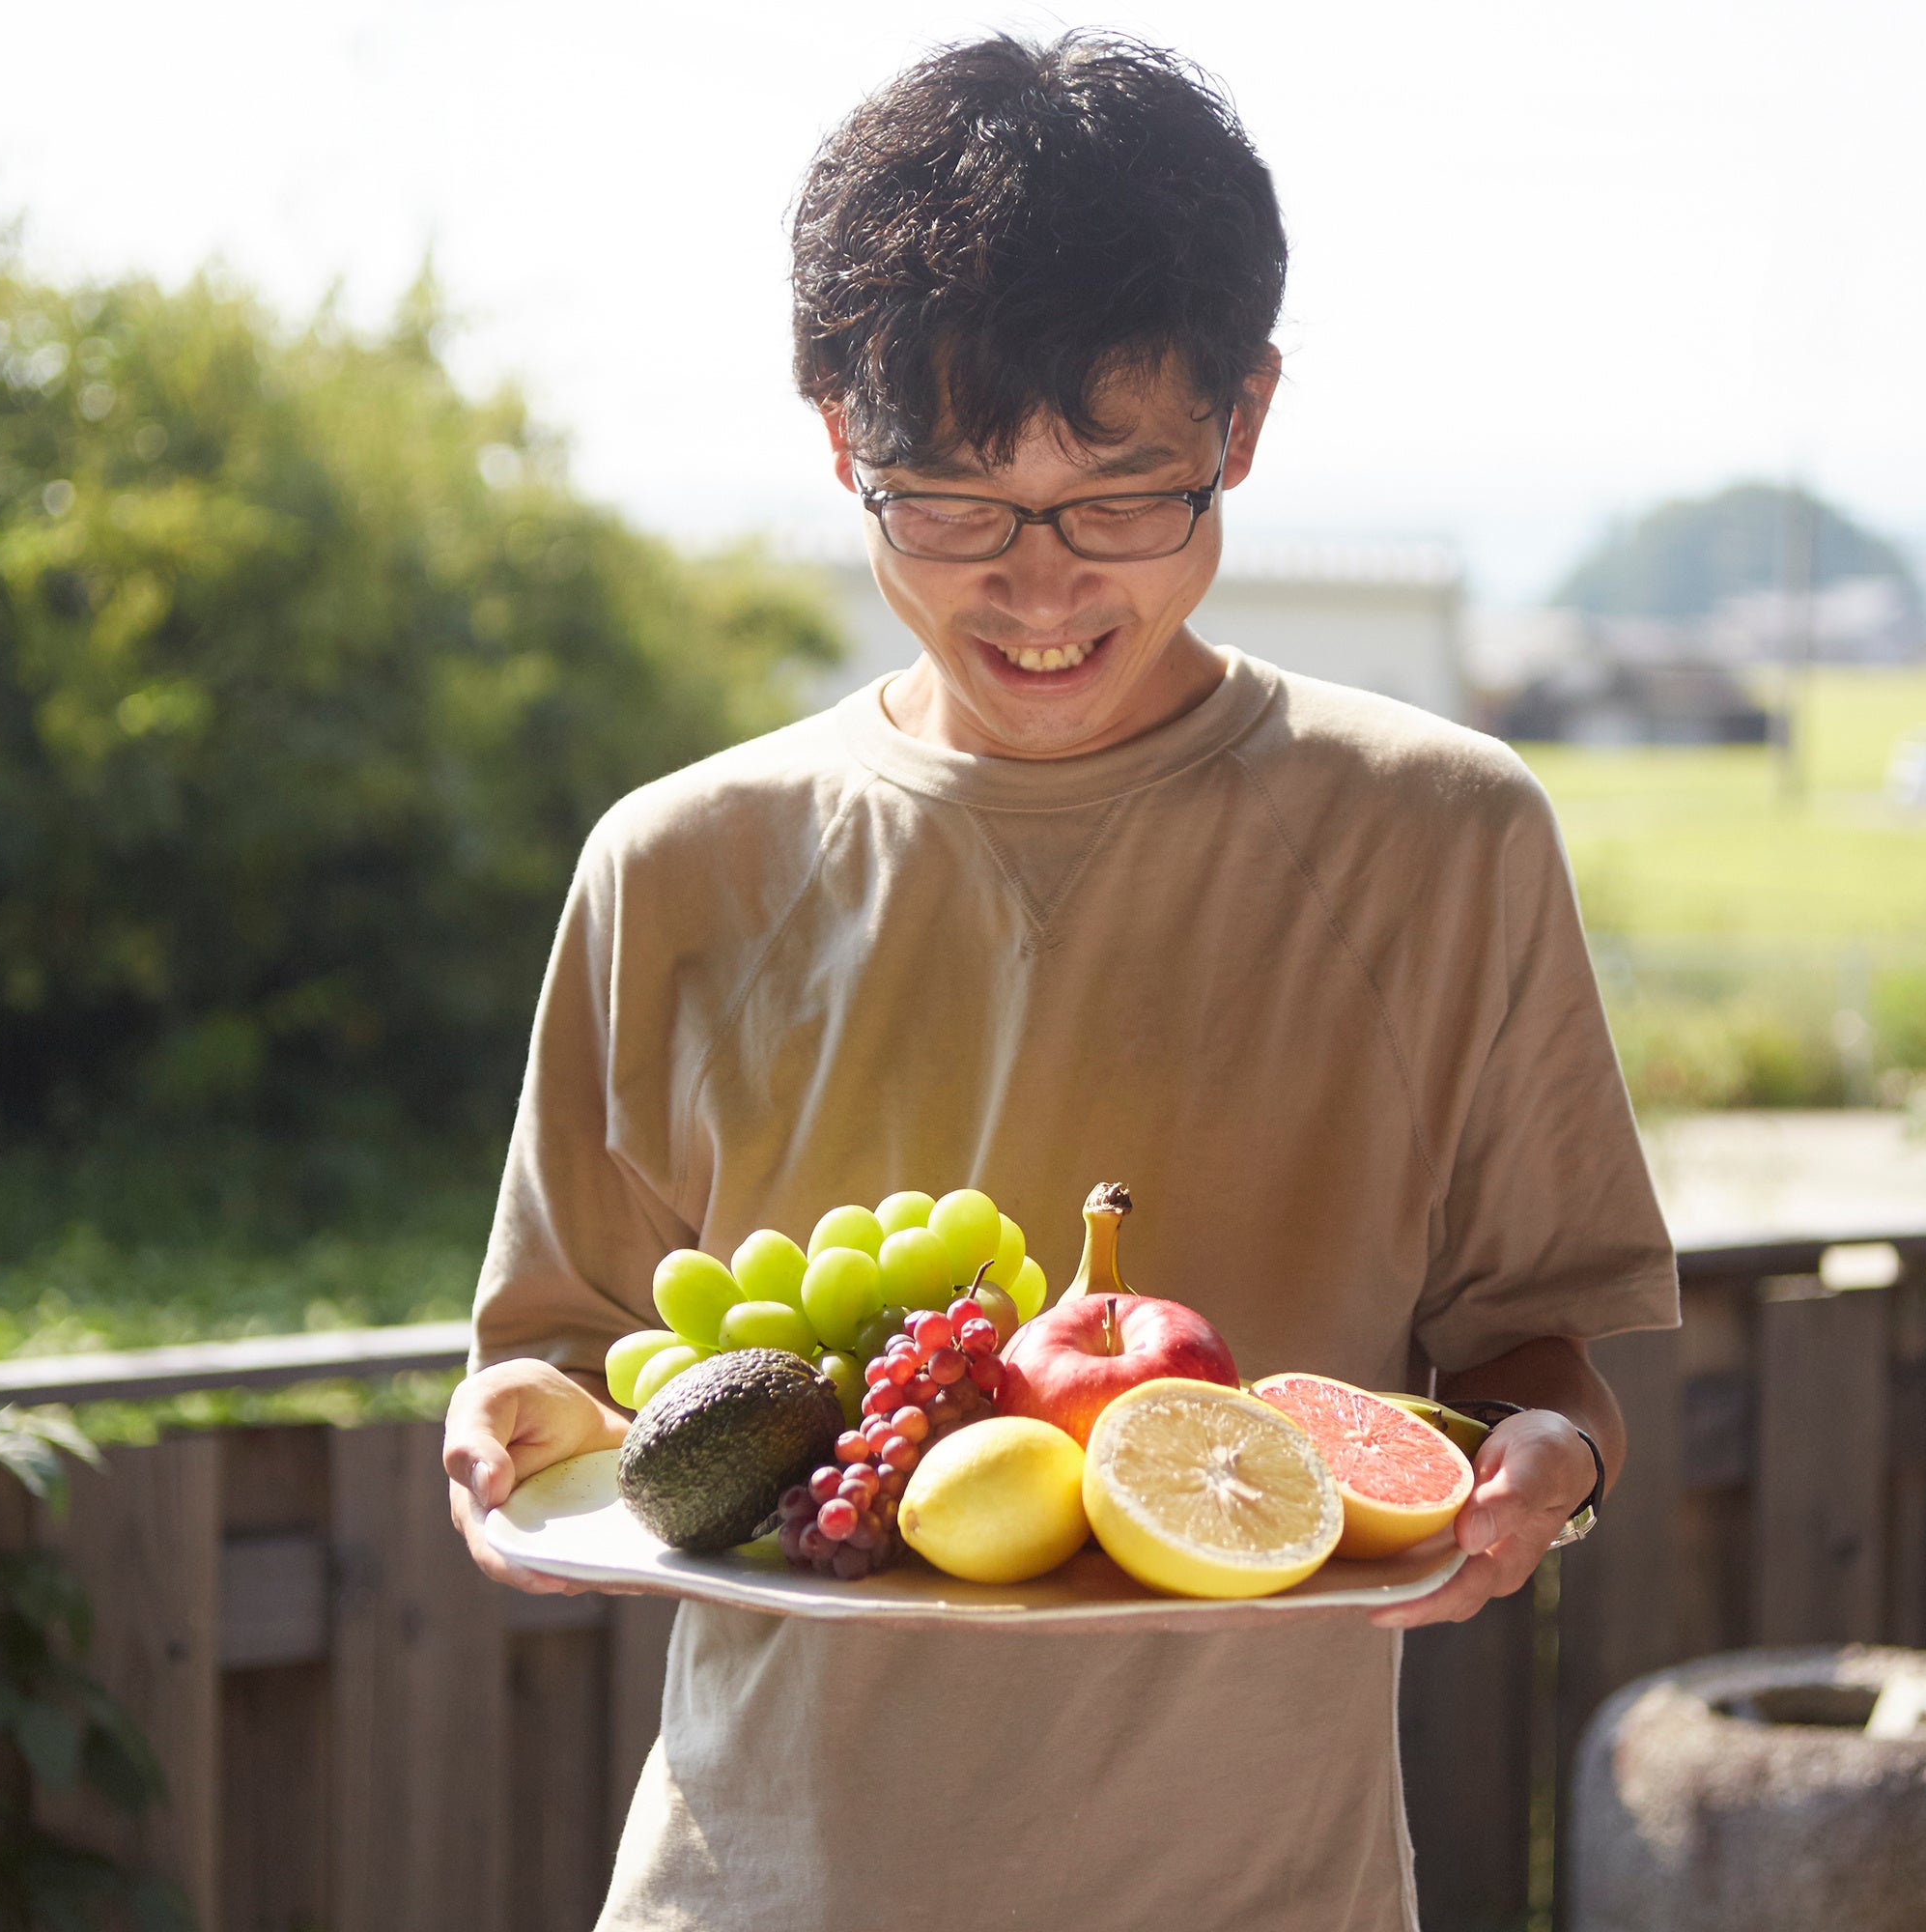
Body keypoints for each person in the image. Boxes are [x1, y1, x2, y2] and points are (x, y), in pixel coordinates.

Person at [442, 30, 1677, 1931]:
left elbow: (1535, 1344)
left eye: (1120, 497)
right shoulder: (675, 865)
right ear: (838, 434)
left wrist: (1550, 1453)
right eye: (946, 502)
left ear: (1243, 426)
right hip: (760, 1889)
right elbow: (569, 1364)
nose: (1037, 585)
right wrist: (516, 1425)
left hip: (1264, 1890)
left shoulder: (1444, 838)